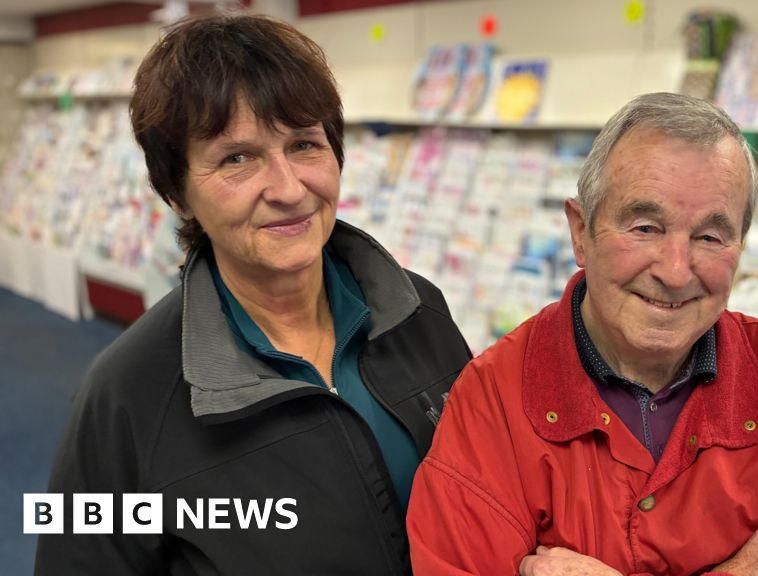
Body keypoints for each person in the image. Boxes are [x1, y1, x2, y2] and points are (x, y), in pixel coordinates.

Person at [35, 14, 471, 575]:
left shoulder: (419, 312)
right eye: (236, 158)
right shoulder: (122, 398)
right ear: (178, 192)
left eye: (304, 144)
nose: (288, 189)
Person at [407, 92, 758, 575]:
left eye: (710, 237)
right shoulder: (492, 401)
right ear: (581, 232)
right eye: (645, 227)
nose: (675, 270)